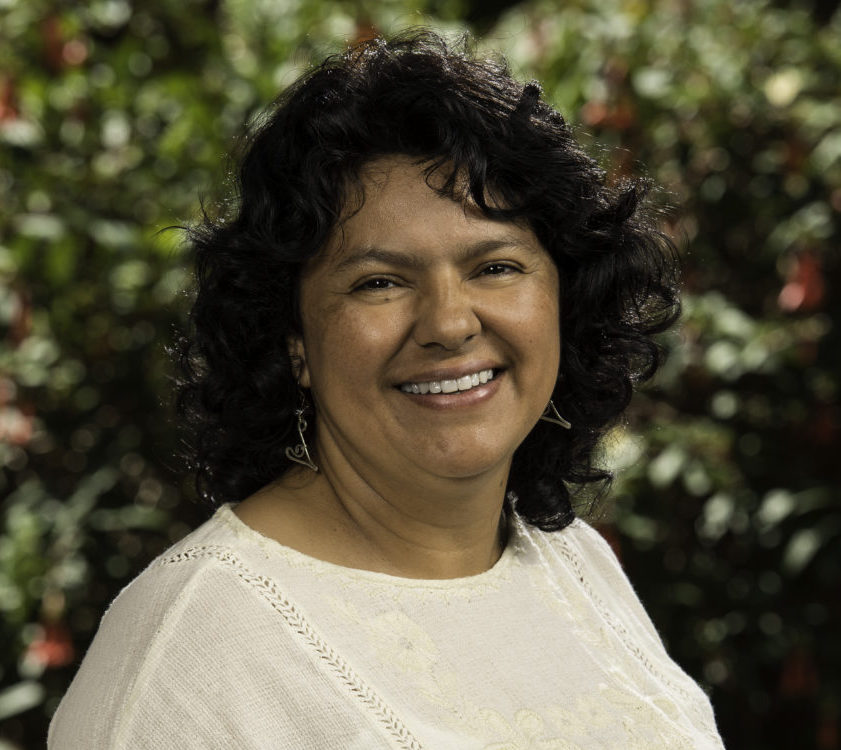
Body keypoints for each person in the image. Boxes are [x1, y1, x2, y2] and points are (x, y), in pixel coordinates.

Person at [49, 30, 724, 749]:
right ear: (294, 343)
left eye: (494, 266)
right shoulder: (191, 649)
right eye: (379, 282)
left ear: (564, 298)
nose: (448, 323)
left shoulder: (576, 565)